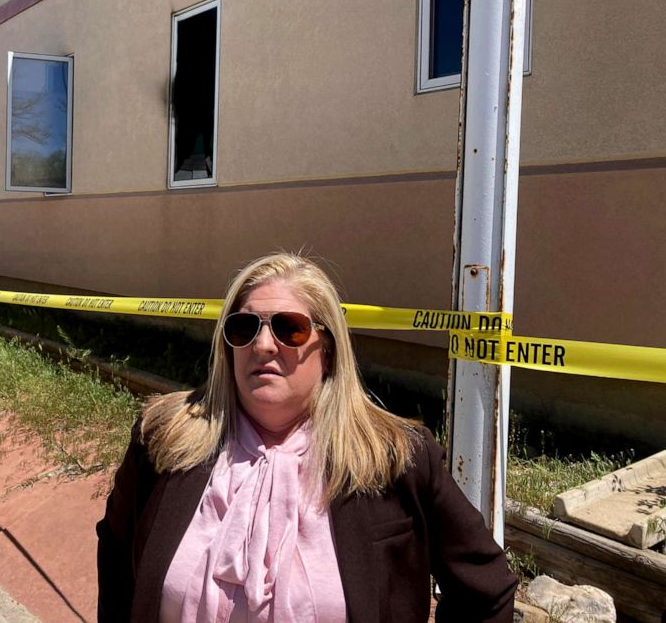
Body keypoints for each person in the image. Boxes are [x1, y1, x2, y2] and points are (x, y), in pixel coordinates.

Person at [97, 253, 517, 622]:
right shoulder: (165, 438)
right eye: (244, 328)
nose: (263, 345)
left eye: (289, 329)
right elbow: (117, 553)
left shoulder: (396, 458)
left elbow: (486, 589)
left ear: (328, 348)